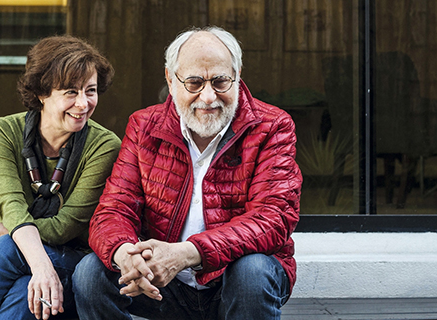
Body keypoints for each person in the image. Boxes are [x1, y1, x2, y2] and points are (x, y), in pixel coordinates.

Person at [72, 26, 302, 320]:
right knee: (91, 272)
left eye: (220, 81)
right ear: (171, 79)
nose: (208, 97)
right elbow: (114, 208)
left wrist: (185, 254)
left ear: (238, 74)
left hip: (231, 280)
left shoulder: (272, 126)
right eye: (194, 83)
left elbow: (273, 218)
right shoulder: (144, 126)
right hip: (162, 284)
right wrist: (126, 255)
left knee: (253, 271)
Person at [0, 35, 121, 320]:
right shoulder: (3, 132)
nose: (83, 103)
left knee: (3, 248)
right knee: (22, 296)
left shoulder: (104, 145)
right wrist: (41, 267)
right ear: (42, 92)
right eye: (71, 91)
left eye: (90, 90)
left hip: (73, 261)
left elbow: (64, 228)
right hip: (21, 267)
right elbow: (12, 207)